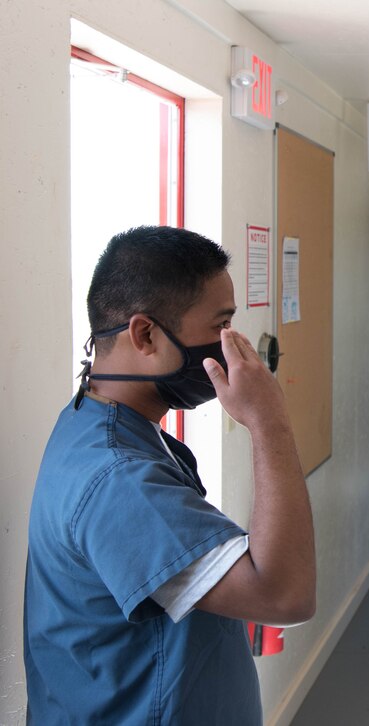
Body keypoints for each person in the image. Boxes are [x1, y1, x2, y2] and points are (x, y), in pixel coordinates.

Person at [24, 226, 316, 723]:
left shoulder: (97, 421)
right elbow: (284, 595)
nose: (231, 345)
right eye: (221, 325)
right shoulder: (119, 478)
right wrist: (269, 422)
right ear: (145, 334)